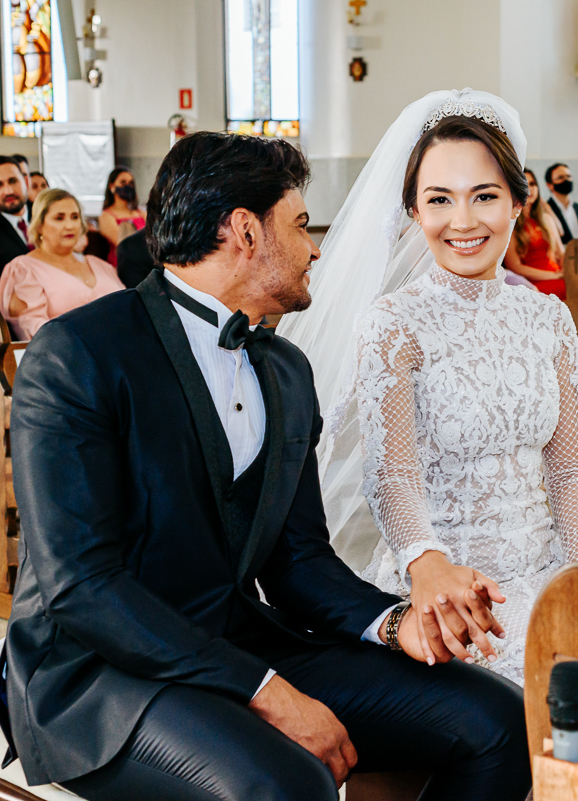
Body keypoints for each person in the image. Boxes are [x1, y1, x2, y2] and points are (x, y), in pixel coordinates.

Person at [3, 131, 532, 801]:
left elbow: (298, 559)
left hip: (242, 641)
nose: (316, 248)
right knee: (286, 783)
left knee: (498, 720)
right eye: (302, 225)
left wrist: (397, 622)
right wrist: (266, 692)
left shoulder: (285, 369)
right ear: (244, 230)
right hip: (98, 674)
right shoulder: (78, 353)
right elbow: (83, 585)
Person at [277, 89, 578, 687]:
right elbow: (392, 475)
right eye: (439, 200)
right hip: (443, 582)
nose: (463, 221)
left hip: (548, 574)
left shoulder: (549, 319)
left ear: (515, 202)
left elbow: (572, 467)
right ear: (413, 213)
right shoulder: (392, 324)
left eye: (484, 196)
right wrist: (427, 566)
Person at [0, 189, 123, 339]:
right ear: (39, 225)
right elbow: (36, 334)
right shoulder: (24, 269)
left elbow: (129, 311)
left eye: (75, 217)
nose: (69, 225)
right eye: (59, 218)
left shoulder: (100, 265)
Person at [505, 168, 567, 298]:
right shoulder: (510, 223)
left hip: (557, 275)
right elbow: (515, 267)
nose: (530, 189)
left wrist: (568, 273)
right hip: (531, 283)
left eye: (532, 184)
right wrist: (553, 276)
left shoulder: (546, 219)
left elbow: (561, 253)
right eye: (524, 185)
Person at [99, 166, 147, 265]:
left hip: (145, 262)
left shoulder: (141, 213)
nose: (128, 186)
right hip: (122, 265)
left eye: (131, 183)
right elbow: (123, 243)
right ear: (112, 186)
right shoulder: (106, 216)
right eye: (123, 182)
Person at [544, 162, 578, 244]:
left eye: (568, 176)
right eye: (560, 177)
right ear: (549, 185)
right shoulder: (545, 209)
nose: (566, 180)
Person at [0, 157, 30, 272]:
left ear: (26, 182)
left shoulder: (47, 216)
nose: (8, 191)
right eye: (0, 185)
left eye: (13, 181)